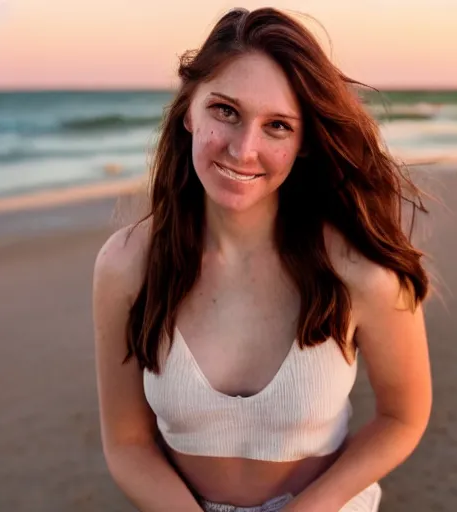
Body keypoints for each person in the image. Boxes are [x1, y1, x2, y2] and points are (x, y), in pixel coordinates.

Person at [92, 7, 432, 512]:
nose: (243, 149)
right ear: (189, 110)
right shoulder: (126, 265)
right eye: (225, 111)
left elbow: (403, 417)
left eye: (277, 126)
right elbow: (127, 443)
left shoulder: (359, 270)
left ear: (304, 144)